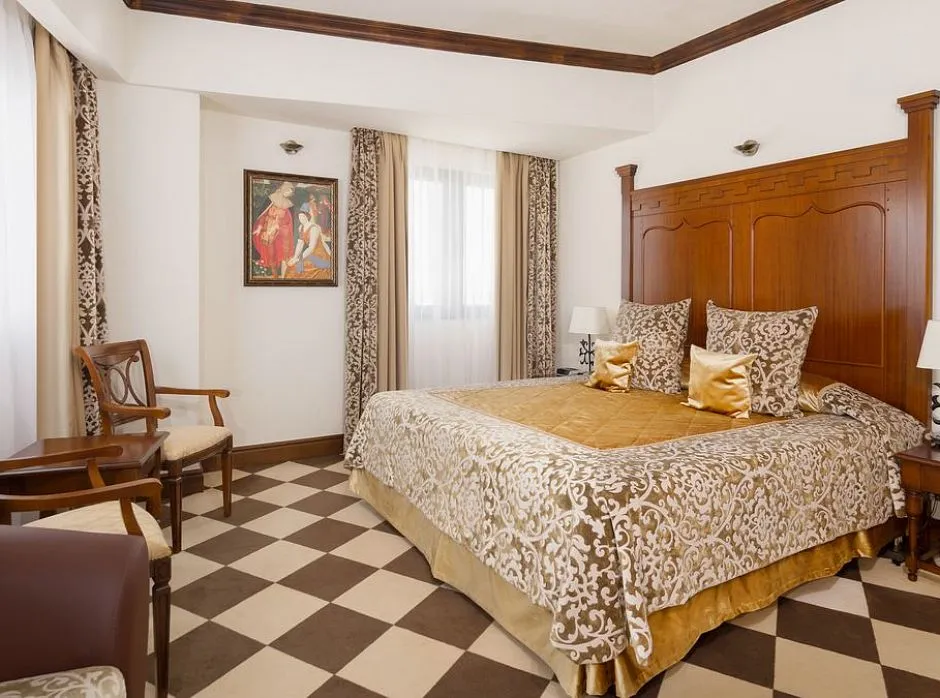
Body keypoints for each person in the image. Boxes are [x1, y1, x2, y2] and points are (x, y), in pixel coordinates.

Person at [251, 181, 295, 278]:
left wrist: (280, 227)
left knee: (283, 254)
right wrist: (259, 228)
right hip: (268, 232)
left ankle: (283, 275)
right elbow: (263, 215)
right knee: (271, 253)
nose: (290, 193)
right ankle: (274, 274)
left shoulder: (289, 205)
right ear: (284, 189)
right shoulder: (271, 199)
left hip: (281, 235)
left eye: (291, 192)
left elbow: (289, 221)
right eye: (289, 190)